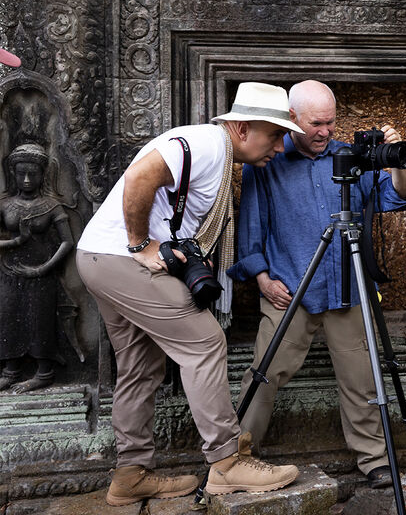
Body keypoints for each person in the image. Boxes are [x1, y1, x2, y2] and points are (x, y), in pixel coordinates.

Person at [76, 82, 304, 506]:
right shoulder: (207, 144)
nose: (280, 143)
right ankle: (226, 462)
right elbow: (143, 174)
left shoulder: (216, 151)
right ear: (240, 128)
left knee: (140, 365)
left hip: (96, 257)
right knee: (204, 340)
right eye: (273, 133)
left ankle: (130, 474)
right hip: (116, 258)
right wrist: (140, 243)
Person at [227, 80, 406, 488]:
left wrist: (397, 161)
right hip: (290, 288)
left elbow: (399, 197)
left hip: (347, 287)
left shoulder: (350, 158)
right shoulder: (267, 161)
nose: (326, 132)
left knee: (362, 376)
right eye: (317, 123)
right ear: (291, 120)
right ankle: (235, 457)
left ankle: (374, 459)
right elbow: (251, 223)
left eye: (331, 123)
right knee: (264, 372)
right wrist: (261, 278)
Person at [0, 144, 74, 393]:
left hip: (43, 273)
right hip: (9, 271)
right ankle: (11, 369)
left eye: (33, 173)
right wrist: (16, 241)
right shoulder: (6, 204)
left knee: (40, 319)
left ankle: (44, 372)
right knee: (8, 316)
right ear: (13, 174)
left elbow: (67, 242)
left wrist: (44, 268)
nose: (27, 179)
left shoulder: (51, 206)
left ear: (43, 174)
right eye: (21, 174)